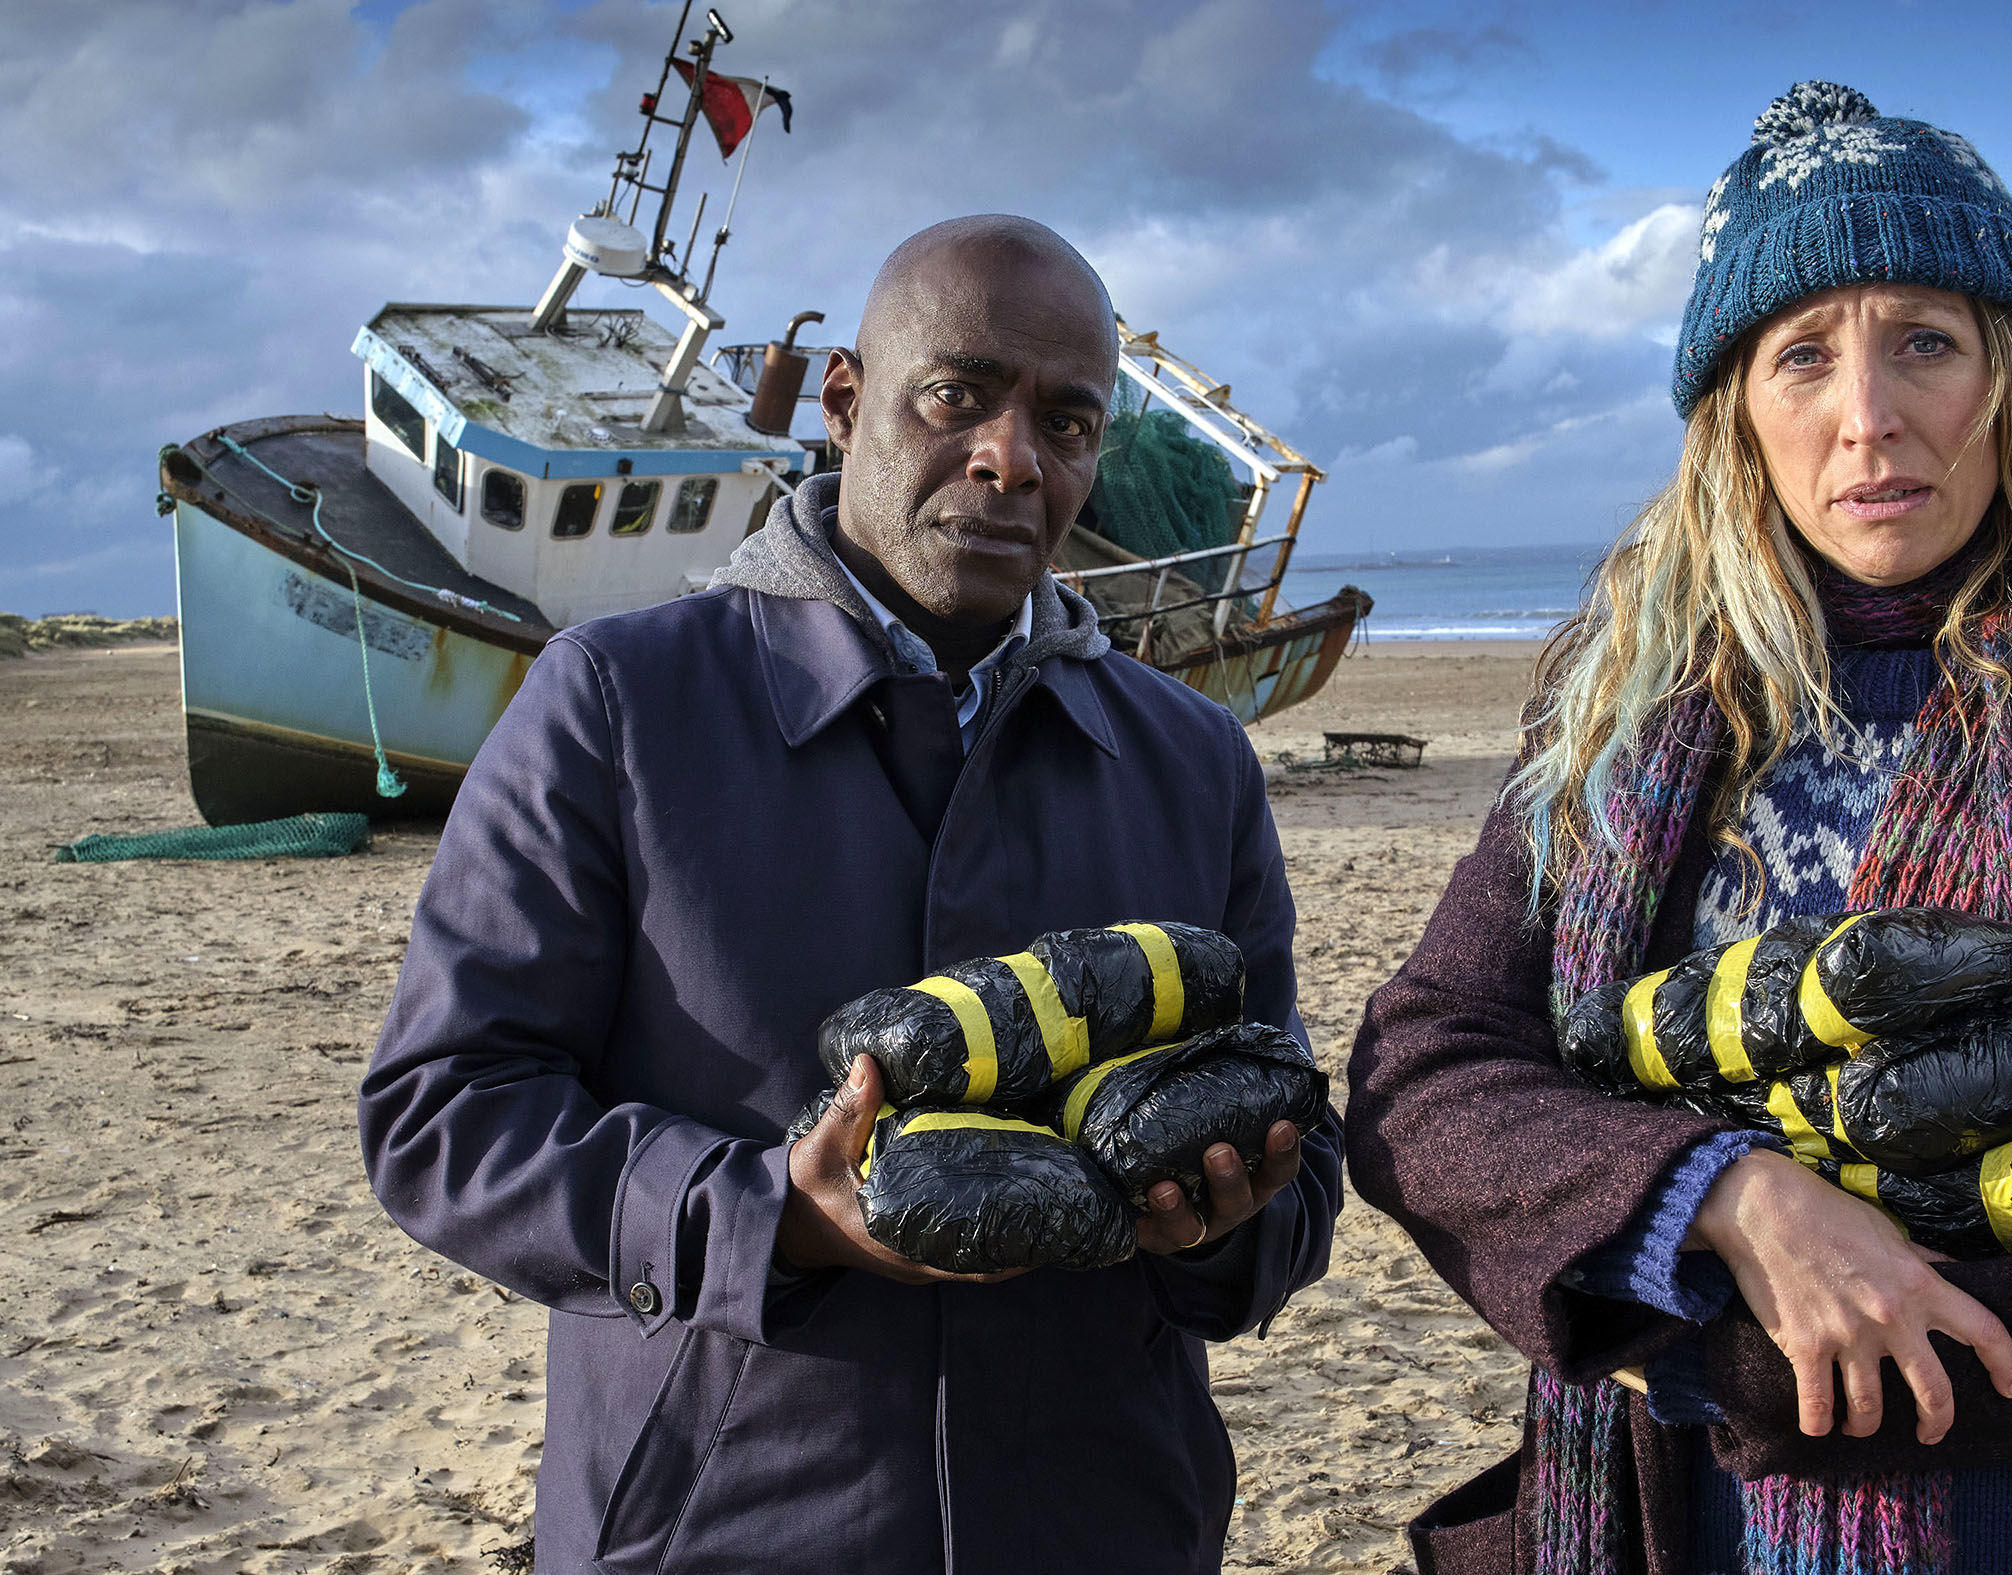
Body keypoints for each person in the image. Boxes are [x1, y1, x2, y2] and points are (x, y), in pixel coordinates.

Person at [1346, 83, 2012, 1575]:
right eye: (1800, 357)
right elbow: (1424, 1063)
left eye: (1925, 345)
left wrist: (1754, 1373)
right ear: (1734, 414)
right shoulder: (1621, 704)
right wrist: (1722, 1203)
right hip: (1659, 1521)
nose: (1866, 417)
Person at [359, 214, 1342, 1575]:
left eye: (1065, 422)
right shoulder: (618, 706)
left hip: (1102, 1522)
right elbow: (444, 1115)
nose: (1009, 459)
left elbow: (1297, 1152)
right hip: (716, 1531)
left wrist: (1225, 1227)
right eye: (957, 395)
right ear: (841, 403)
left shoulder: (1190, 762)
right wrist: (768, 1221)